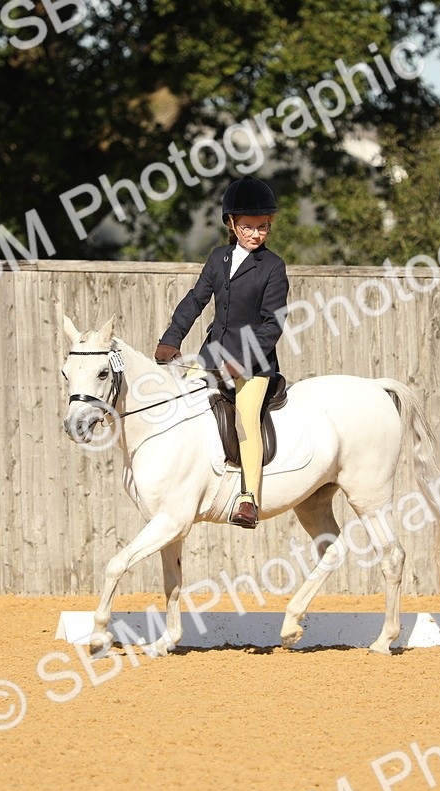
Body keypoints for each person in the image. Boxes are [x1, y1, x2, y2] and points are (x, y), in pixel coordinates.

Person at [154, 176, 289, 528]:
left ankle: (249, 499)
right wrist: (172, 339)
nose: (256, 234)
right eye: (248, 226)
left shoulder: (273, 267)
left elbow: (273, 324)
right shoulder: (218, 258)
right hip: (211, 357)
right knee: (177, 400)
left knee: (245, 420)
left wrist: (242, 360)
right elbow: (195, 300)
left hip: (254, 366)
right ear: (231, 223)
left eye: (263, 226)